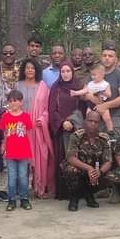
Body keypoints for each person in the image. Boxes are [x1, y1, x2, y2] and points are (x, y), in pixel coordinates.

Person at [61, 110, 113, 211]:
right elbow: (70, 158)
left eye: (96, 122)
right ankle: (74, 198)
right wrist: (89, 168)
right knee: (70, 170)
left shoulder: (104, 138)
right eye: (90, 121)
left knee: (110, 176)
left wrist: (99, 171)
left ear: (99, 123)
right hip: (80, 169)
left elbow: (108, 161)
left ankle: (90, 194)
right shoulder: (76, 136)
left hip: (95, 170)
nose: (92, 124)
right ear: (85, 121)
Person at [48, 62, 84, 200]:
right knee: (63, 160)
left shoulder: (78, 87)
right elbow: (52, 109)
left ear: (72, 72)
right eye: (63, 71)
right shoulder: (55, 88)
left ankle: (79, 191)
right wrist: (63, 122)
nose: (66, 73)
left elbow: (83, 106)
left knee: (78, 159)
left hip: (77, 129)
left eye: (68, 71)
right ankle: (64, 191)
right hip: (61, 131)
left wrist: (73, 122)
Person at [0, 90, 35, 211]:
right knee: (12, 177)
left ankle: (24, 199)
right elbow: (5, 133)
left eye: (15, 101)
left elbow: (29, 133)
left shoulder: (26, 116)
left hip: (23, 152)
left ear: (21, 102)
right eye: (10, 101)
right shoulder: (5, 116)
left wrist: (30, 149)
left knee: (23, 177)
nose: (13, 103)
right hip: (10, 152)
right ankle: (11, 200)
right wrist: (3, 145)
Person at [89, 45, 120, 136]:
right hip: (94, 118)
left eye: (110, 56)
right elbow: (84, 94)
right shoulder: (94, 74)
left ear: (116, 59)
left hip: (113, 118)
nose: (107, 58)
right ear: (101, 57)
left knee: (113, 146)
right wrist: (94, 99)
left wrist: (105, 106)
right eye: (104, 55)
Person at [30, 68, 55, 199]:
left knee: (42, 156)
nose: (30, 70)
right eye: (27, 68)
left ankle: (41, 186)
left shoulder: (43, 87)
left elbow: (47, 108)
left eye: (32, 68)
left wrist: (42, 119)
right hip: (21, 127)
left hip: (38, 129)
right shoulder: (19, 85)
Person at [71, 64, 115, 133]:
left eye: (95, 75)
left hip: (102, 104)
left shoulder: (105, 84)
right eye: (92, 75)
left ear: (102, 74)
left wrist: (102, 92)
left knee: (107, 118)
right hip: (91, 104)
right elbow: (85, 91)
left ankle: (110, 130)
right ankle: (86, 130)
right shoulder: (90, 84)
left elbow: (109, 95)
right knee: (88, 116)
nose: (92, 77)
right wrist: (76, 93)